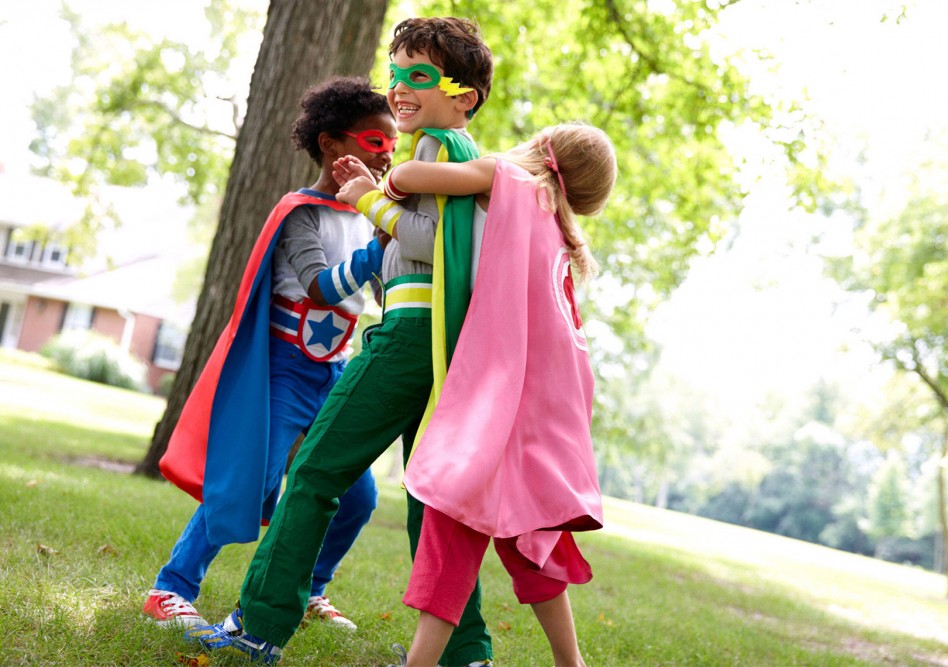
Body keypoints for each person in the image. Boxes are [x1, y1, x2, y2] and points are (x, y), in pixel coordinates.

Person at [184, 17, 496, 667]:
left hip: (411, 334)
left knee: (315, 473)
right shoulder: (463, 152)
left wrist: (366, 199)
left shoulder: (435, 147)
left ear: (463, 95)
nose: (400, 87)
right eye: (395, 72)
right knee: (432, 501)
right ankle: (465, 653)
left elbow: (429, 242)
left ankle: (258, 625)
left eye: (419, 75)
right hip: (447, 342)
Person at [339, 122, 616, 667]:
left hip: (499, 397)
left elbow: (411, 174)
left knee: (451, 521)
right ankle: (572, 664)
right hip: (551, 407)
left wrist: (372, 192)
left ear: (543, 148)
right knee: (530, 536)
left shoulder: (507, 176)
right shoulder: (556, 227)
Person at [144, 77, 396, 632]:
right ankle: (171, 587)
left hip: (335, 374)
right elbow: (321, 288)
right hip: (283, 369)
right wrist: (380, 247)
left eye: (393, 147)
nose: (387, 156)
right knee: (250, 479)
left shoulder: (369, 217)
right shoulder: (301, 212)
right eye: (375, 142)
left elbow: (386, 293)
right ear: (330, 144)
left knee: (357, 497)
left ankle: (311, 588)